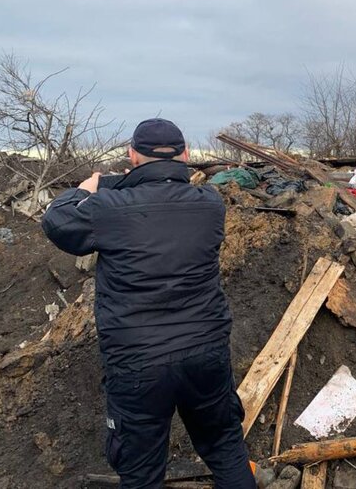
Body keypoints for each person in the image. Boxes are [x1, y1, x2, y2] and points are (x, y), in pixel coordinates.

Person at [42, 118, 256, 489]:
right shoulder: (210, 205)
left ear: (132, 155)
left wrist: (85, 190)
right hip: (205, 354)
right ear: (186, 155)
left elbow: (57, 222)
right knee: (225, 447)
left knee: (141, 473)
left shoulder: (107, 208)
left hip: (138, 365)